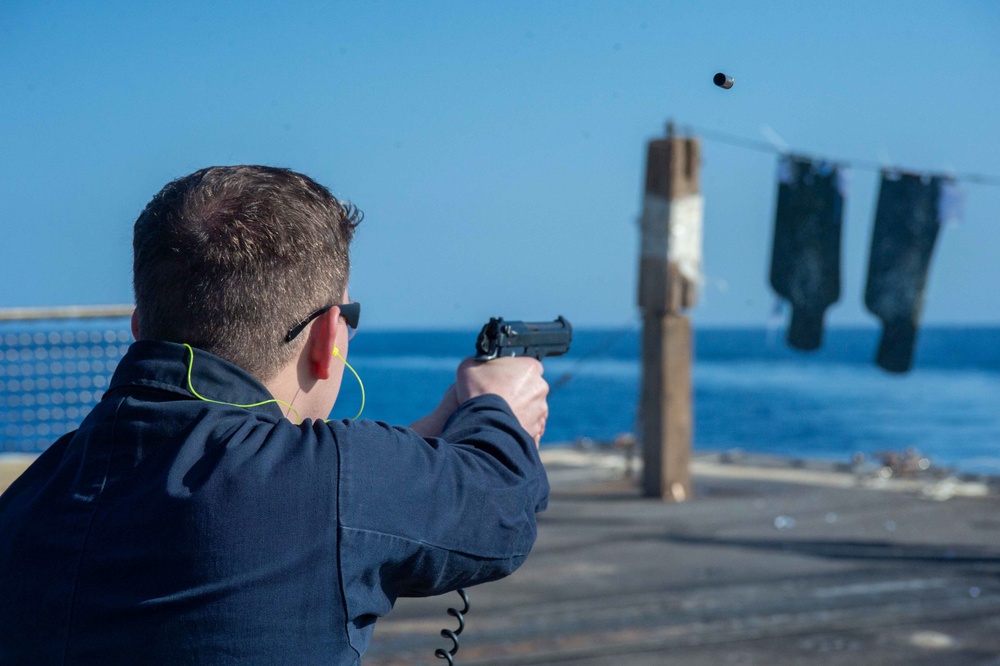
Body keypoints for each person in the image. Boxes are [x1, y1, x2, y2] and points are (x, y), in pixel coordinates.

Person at [0, 166, 550, 664]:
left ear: (139, 326)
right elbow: (500, 503)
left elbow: (294, 489)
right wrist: (496, 406)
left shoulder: (30, 498)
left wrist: (449, 424)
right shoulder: (335, 485)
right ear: (328, 337)